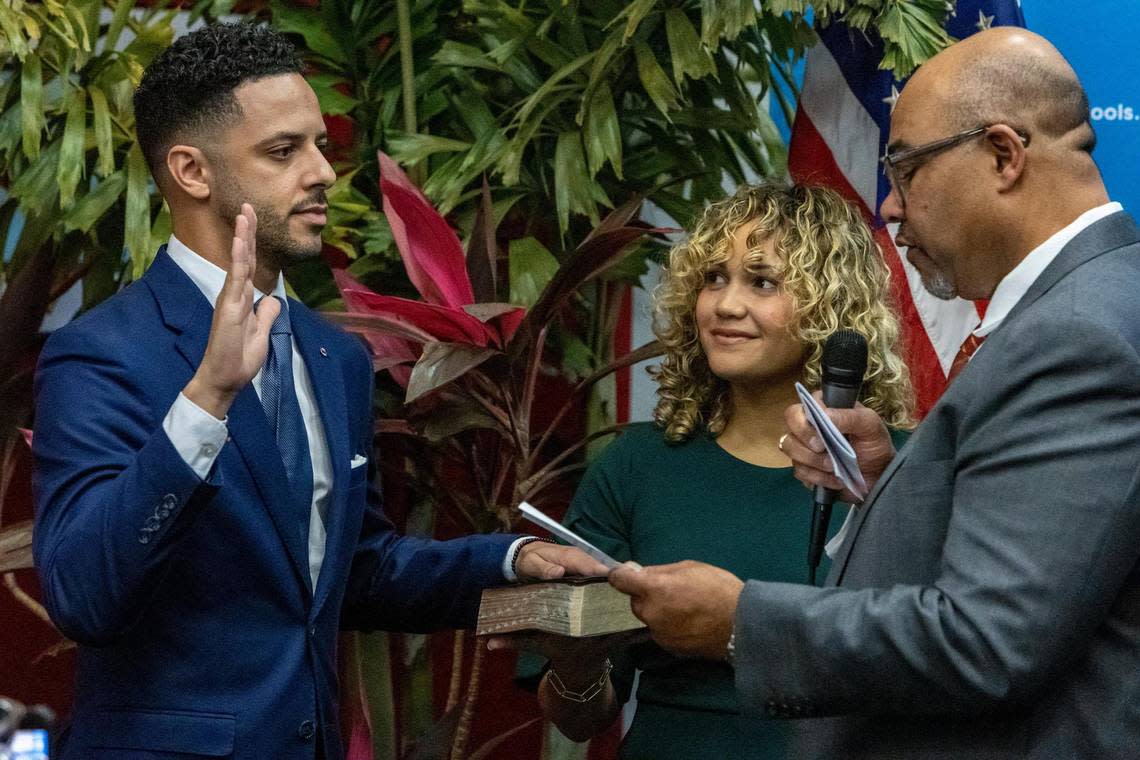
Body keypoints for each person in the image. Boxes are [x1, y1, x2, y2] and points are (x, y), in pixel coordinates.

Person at [30, 23, 605, 760]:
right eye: (282, 151)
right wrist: (206, 397)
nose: (324, 172)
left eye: (320, 145)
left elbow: (358, 568)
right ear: (191, 171)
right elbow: (83, 593)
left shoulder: (337, 356)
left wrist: (509, 559)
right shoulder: (100, 353)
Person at [608, 27, 1140, 759]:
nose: (888, 206)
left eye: (908, 168)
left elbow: (988, 641)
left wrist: (741, 620)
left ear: (1003, 156)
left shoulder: (1079, 335)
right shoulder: (1084, 307)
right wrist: (895, 483)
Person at [501, 182, 914, 759]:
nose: (725, 305)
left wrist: (738, 629)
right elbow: (578, 719)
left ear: (832, 307)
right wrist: (576, 661)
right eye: (713, 278)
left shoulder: (902, 468)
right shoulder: (635, 466)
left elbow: (935, 661)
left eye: (763, 282)